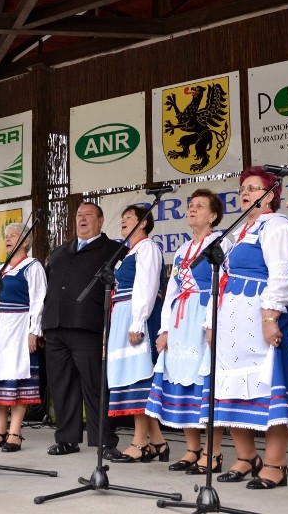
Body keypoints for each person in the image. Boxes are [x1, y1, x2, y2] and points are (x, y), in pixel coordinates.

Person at [206, 166, 288, 490]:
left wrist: (270, 317)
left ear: (271, 195)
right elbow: (219, 280)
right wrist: (211, 322)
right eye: (243, 188)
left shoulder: (275, 225)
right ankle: (247, 457)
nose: (245, 193)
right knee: (232, 389)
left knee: (269, 388)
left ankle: (276, 464)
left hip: (261, 316)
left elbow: (284, 274)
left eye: (253, 188)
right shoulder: (237, 232)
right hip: (232, 322)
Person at [146, 189, 227, 474]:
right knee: (183, 384)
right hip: (181, 320)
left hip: (204, 315)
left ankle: (213, 453)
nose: (192, 210)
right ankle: (192, 450)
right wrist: (165, 329)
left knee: (204, 385)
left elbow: (223, 286)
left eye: (200, 206)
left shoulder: (221, 243)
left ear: (214, 215)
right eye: (190, 205)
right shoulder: (181, 250)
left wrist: (211, 322)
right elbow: (172, 291)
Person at [42, 202, 124, 457]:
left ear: (100, 221)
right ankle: (67, 438)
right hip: (55, 326)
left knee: (95, 384)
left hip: (88, 325)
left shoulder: (114, 250)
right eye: (79, 215)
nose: (83, 219)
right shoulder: (59, 252)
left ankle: (104, 441)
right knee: (62, 386)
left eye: (89, 214)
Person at [0, 223, 46, 452]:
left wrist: (34, 330)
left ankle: (15, 432)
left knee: (18, 378)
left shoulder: (32, 267)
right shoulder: (0, 269)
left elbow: (38, 300)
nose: (8, 238)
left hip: (18, 327)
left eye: (14, 235)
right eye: (6, 236)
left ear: (26, 241)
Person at [106, 205, 168, 463]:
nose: (123, 221)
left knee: (140, 378)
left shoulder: (148, 248)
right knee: (130, 377)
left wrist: (138, 322)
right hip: (124, 315)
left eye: (129, 218)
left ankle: (140, 442)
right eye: (122, 218)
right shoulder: (128, 252)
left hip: (137, 315)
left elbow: (148, 286)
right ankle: (158, 443)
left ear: (143, 223)